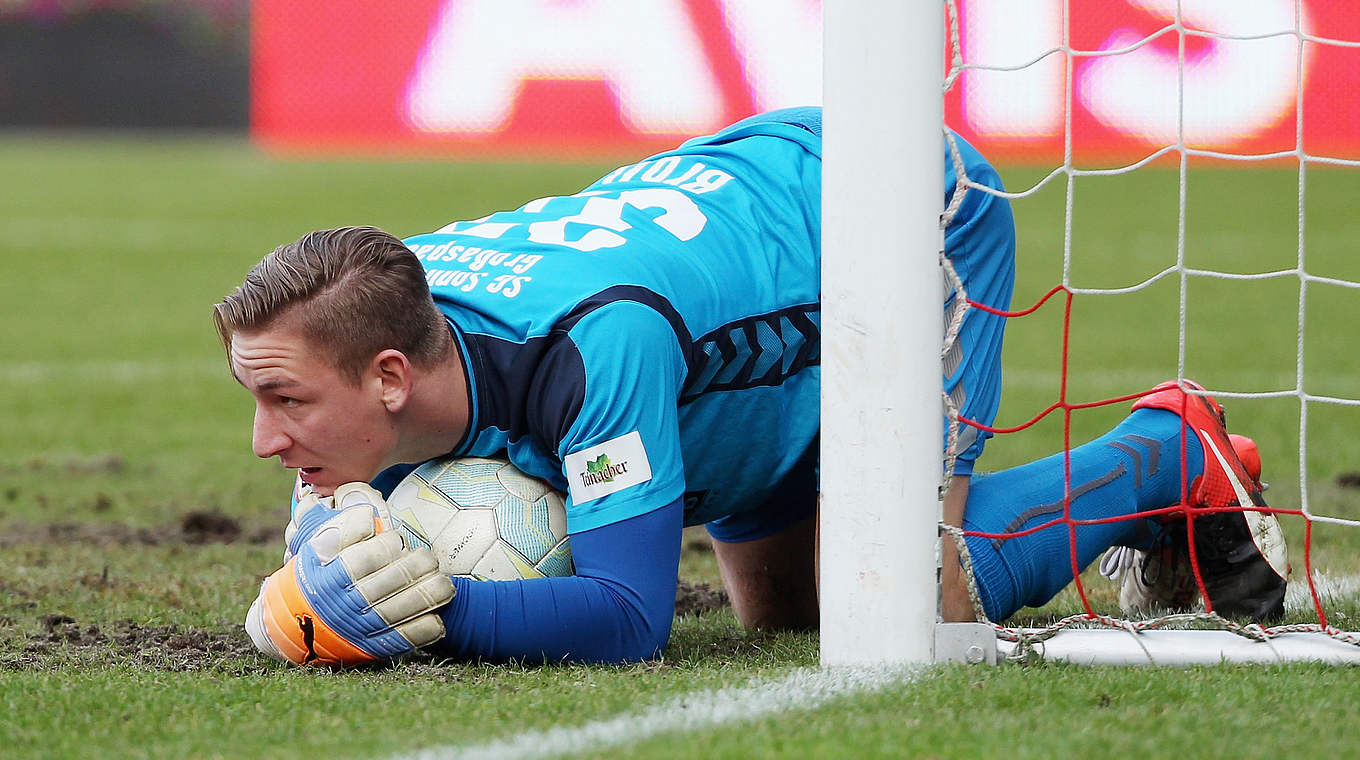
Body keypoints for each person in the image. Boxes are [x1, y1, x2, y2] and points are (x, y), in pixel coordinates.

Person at [215, 107, 1287, 667]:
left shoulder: (593, 350)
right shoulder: (385, 305)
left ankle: (1166, 455)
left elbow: (631, 618)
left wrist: (439, 612)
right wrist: (310, 590)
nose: (267, 439)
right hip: (753, 255)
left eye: (284, 403)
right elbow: (335, 525)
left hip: (900, 214)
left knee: (906, 602)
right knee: (787, 616)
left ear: (391, 378)